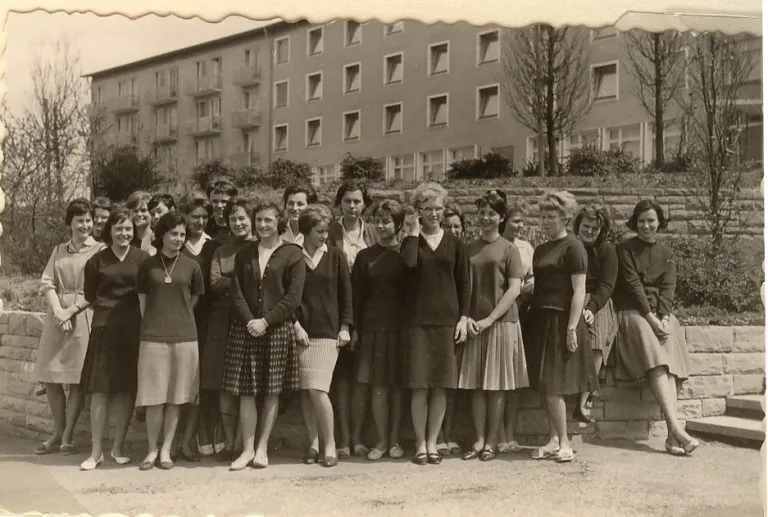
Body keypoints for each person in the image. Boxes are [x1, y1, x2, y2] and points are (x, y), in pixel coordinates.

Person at [223, 202, 306, 471]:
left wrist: (266, 321)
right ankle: (247, 449)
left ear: (279, 222)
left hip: (277, 329)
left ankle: (262, 449)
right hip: (246, 329)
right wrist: (251, 321)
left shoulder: (293, 254)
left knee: (271, 390)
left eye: (268, 220)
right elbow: (235, 291)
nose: (262, 225)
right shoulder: (245, 252)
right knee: (246, 392)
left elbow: (293, 297)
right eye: (258, 220)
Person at [613, 200, 698, 456]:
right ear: (634, 222)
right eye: (641, 221)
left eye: (651, 220)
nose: (646, 226)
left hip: (659, 315)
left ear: (659, 222)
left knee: (672, 357)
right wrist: (651, 319)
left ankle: (673, 438)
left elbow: (668, 289)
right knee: (658, 359)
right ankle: (676, 428)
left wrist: (663, 317)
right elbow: (632, 286)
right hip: (632, 312)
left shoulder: (667, 253)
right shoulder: (625, 249)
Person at [524, 191, 598, 464]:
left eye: (551, 217)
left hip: (563, 321)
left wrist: (571, 329)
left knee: (554, 385)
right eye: (542, 216)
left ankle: (565, 442)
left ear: (565, 218)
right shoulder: (541, 249)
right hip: (541, 319)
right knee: (546, 383)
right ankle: (553, 439)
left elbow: (579, 291)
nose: (545, 221)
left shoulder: (574, 247)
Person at [400, 182, 470, 466]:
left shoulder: (455, 244)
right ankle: (419, 444)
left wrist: (463, 317)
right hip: (417, 322)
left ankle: (433, 443)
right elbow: (409, 265)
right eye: (427, 209)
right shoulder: (410, 242)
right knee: (419, 385)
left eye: (438, 209)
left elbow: (464, 284)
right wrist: (414, 234)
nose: (433, 214)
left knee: (440, 386)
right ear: (418, 212)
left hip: (445, 323)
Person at [458, 190, 528, 462]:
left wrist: (489, 320)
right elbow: (464, 287)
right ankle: (478, 439)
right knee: (476, 384)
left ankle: (492, 440)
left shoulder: (510, 249)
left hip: (501, 324)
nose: (486, 218)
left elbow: (514, 290)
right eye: (482, 213)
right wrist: (467, 318)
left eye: (492, 214)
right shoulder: (469, 248)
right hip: (475, 324)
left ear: (501, 218)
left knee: (496, 385)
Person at [32, 199, 106, 456]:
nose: (85, 225)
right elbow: (47, 282)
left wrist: (70, 312)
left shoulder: (100, 250)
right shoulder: (59, 250)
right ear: (70, 223)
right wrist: (59, 312)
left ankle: (67, 436)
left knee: (76, 380)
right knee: (51, 377)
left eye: (89, 220)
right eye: (79, 221)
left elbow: (97, 288)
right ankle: (57, 430)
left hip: (83, 314)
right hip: (57, 317)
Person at [78, 207, 149, 470]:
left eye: (128, 228)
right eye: (119, 228)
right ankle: (96, 451)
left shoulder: (143, 258)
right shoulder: (97, 261)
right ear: (110, 230)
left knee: (125, 389)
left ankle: (118, 447)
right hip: (105, 328)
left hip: (133, 330)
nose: (124, 233)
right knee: (100, 391)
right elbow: (90, 295)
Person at [135, 212, 205, 471]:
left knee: (176, 397)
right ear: (162, 235)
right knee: (154, 398)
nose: (178, 239)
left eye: (182, 235)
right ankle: (151, 450)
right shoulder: (147, 265)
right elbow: (143, 301)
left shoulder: (192, 266)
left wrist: (177, 318)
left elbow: (194, 300)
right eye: (173, 234)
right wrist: (156, 323)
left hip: (185, 337)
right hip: (153, 337)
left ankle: (166, 450)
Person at [295, 204, 352, 468]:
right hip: (301, 333)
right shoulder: (293, 256)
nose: (324, 236)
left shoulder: (336, 256)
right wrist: (295, 325)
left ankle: (330, 444)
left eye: (326, 230)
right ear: (305, 231)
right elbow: (287, 297)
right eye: (319, 231)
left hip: (328, 333)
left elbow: (346, 295)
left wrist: (345, 326)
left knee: (318, 389)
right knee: (306, 391)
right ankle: (313, 443)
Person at [351, 199, 407, 461]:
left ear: (398, 225)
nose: (382, 225)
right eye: (378, 220)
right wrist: (354, 330)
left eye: (387, 221)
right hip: (372, 329)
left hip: (400, 329)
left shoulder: (406, 254)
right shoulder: (365, 256)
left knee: (396, 387)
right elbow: (356, 298)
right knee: (378, 388)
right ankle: (382, 440)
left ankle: (395, 440)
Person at [326, 181, 378, 459]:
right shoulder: (331, 232)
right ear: (340, 203)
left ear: (364, 205)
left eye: (357, 201)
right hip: (337, 310)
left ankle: (358, 438)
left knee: (361, 378)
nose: (352, 207)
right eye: (347, 201)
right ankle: (342, 439)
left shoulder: (371, 231)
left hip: (368, 309)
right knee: (341, 379)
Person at [201, 196, 254, 461]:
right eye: (233, 218)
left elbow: (260, 285)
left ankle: (246, 444)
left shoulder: (259, 247)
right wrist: (244, 281)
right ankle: (230, 440)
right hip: (222, 320)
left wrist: (231, 279)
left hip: (250, 319)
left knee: (247, 383)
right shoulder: (221, 250)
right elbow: (214, 283)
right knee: (225, 382)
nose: (238, 222)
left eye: (243, 217)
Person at [176, 191, 216, 460]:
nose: (199, 222)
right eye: (194, 217)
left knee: (197, 384)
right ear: (185, 218)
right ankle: (171, 439)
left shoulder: (215, 246)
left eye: (204, 217)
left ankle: (189, 440)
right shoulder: (175, 244)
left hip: (208, 323)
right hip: (178, 321)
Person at [572, 206, 619, 424]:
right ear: (577, 226)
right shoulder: (570, 246)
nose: (590, 231)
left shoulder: (607, 251)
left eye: (595, 228)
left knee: (597, 343)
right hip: (572, 297)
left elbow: (607, 285)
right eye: (586, 227)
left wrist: (590, 308)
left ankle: (581, 403)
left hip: (598, 302)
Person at [497, 201, 535, 453]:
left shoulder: (525, 247)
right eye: (515, 221)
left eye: (522, 222)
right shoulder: (495, 243)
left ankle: (509, 432)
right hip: (495, 312)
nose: (520, 226)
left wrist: (529, 288)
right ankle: (497, 432)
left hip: (520, 313)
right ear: (504, 221)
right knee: (495, 378)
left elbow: (531, 278)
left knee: (512, 379)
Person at [435, 204, 466, 457]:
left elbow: (464, 285)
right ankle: (437, 436)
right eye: (448, 226)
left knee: (452, 384)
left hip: (460, 323)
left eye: (457, 226)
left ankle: (449, 434)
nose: (453, 230)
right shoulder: (437, 248)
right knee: (438, 382)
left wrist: (463, 318)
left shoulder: (459, 248)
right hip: (439, 323)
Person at [206, 177, 239, 246]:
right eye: (215, 201)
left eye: (224, 201)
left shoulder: (239, 226)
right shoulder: (205, 226)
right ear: (209, 201)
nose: (219, 205)